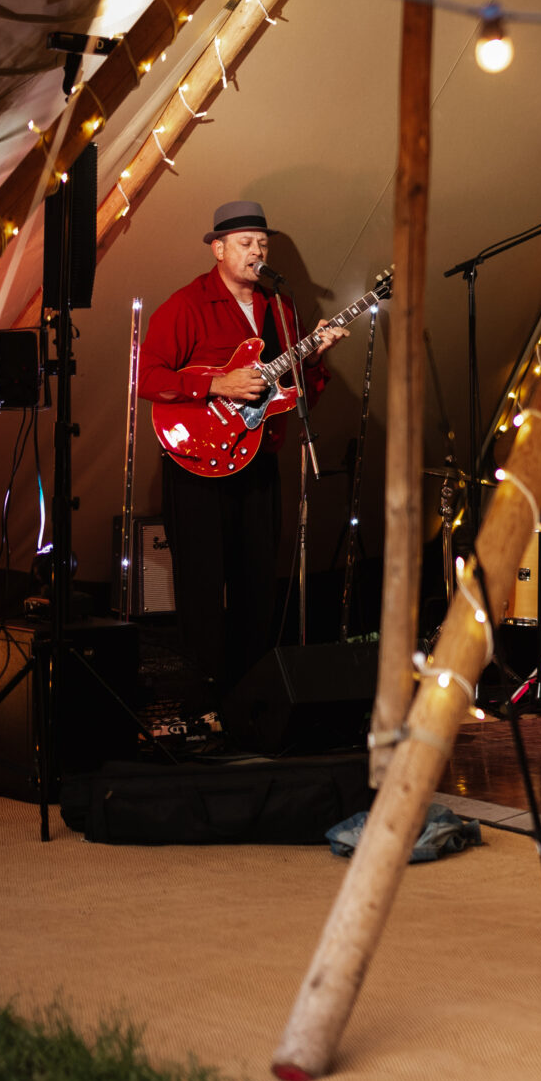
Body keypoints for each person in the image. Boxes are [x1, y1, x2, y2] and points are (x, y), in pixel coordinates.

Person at [138, 201, 345, 735]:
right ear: (219, 248)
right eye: (247, 242)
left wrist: (315, 356)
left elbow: (297, 398)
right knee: (202, 586)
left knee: (257, 584)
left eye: (263, 244)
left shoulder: (279, 309)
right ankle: (202, 705)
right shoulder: (187, 304)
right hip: (195, 466)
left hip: (257, 463)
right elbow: (148, 378)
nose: (257, 252)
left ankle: (252, 705)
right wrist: (216, 383)